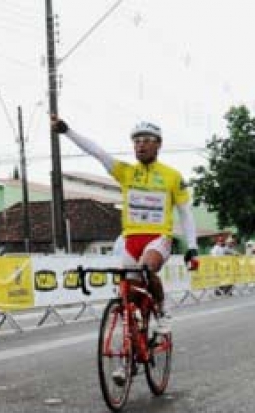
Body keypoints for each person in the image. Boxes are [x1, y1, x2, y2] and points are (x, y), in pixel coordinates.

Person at [52, 117, 199, 338]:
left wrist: (193, 246)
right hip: (130, 239)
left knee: (147, 269)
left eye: (146, 140)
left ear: (158, 144)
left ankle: (163, 310)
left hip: (158, 238)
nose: (140, 145)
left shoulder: (172, 176)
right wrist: (67, 131)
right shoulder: (126, 172)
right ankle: (131, 347)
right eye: (136, 141)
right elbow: (98, 153)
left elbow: (185, 212)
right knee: (128, 291)